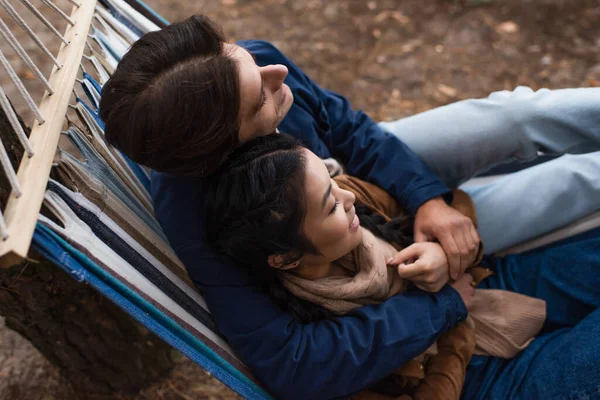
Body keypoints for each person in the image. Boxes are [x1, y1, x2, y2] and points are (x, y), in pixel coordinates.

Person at [98, 15, 600, 399]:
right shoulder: (203, 216)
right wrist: (440, 302)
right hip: (351, 231)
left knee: (515, 116)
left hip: (358, 192)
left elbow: (352, 132)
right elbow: (288, 359)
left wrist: (426, 197)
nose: (278, 72)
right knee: (566, 187)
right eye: (260, 99)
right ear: (226, 153)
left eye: (249, 62)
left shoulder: (255, 67)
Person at [205, 134, 562, 399]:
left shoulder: (353, 198)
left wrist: (442, 252)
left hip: (490, 287)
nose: (347, 198)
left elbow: (456, 208)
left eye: (332, 181)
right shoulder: (319, 334)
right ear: (284, 258)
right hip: (471, 380)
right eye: (331, 207)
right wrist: (454, 328)